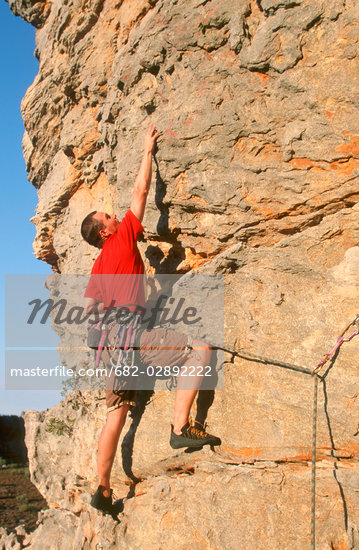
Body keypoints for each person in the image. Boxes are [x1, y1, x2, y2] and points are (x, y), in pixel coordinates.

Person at [81, 123, 221, 515]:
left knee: (116, 415)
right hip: (133, 337)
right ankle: (180, 428)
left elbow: (91, 314)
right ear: (105, 231)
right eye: (109, 216)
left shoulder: (95, 268)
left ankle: (103, 488)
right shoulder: (122, 237)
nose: (115, 216)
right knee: (201, 347)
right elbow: (141, 193)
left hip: (111, 347)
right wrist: (146, 150)